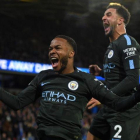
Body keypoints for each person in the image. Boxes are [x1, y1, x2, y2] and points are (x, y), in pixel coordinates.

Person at [0, 35, 140, 140]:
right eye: (50, 49)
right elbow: (17, 103)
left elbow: (117, 103)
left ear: (71, 53)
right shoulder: (43, 76)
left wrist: (137, 96)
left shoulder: (86, 79)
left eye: (57, 48)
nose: (52, 51)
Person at [87, 3, 140, 140]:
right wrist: (101, 73)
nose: (103, 18)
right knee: (91, 135)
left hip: (125, 108)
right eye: (104, 15)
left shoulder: (127, 42)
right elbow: (119, 74)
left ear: (120, 20)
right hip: (110, 106)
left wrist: (104, 97)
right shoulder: (112, 46)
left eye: (109, 15)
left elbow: (132, 78)